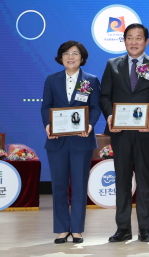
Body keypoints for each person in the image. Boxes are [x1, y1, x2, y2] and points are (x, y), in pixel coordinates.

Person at [100, 23, 149, 243]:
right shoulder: (112, 64)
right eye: (130, 37)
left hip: (145, 131)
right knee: (122, 179)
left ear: (146, 41)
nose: (134, 42)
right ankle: (123, 228)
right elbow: (104, 96)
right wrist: (110, 117)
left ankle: (145, 228)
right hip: (119, 131)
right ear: (124, 40)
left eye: (138, 38)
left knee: (144, 179)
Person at [41, 40, 101, 244]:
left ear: (82, 58)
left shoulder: (91, 80)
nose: (70, 57)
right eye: (66, 53)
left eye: (75, 53)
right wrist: (48, 126)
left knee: (79, 185)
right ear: (61, 58)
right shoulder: (52, 79)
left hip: (81, 140)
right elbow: (46, 106)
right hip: (57, 140)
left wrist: (89, 126)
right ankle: (61, 228)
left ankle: (76, 229)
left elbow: (95, 107)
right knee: (58, 186)